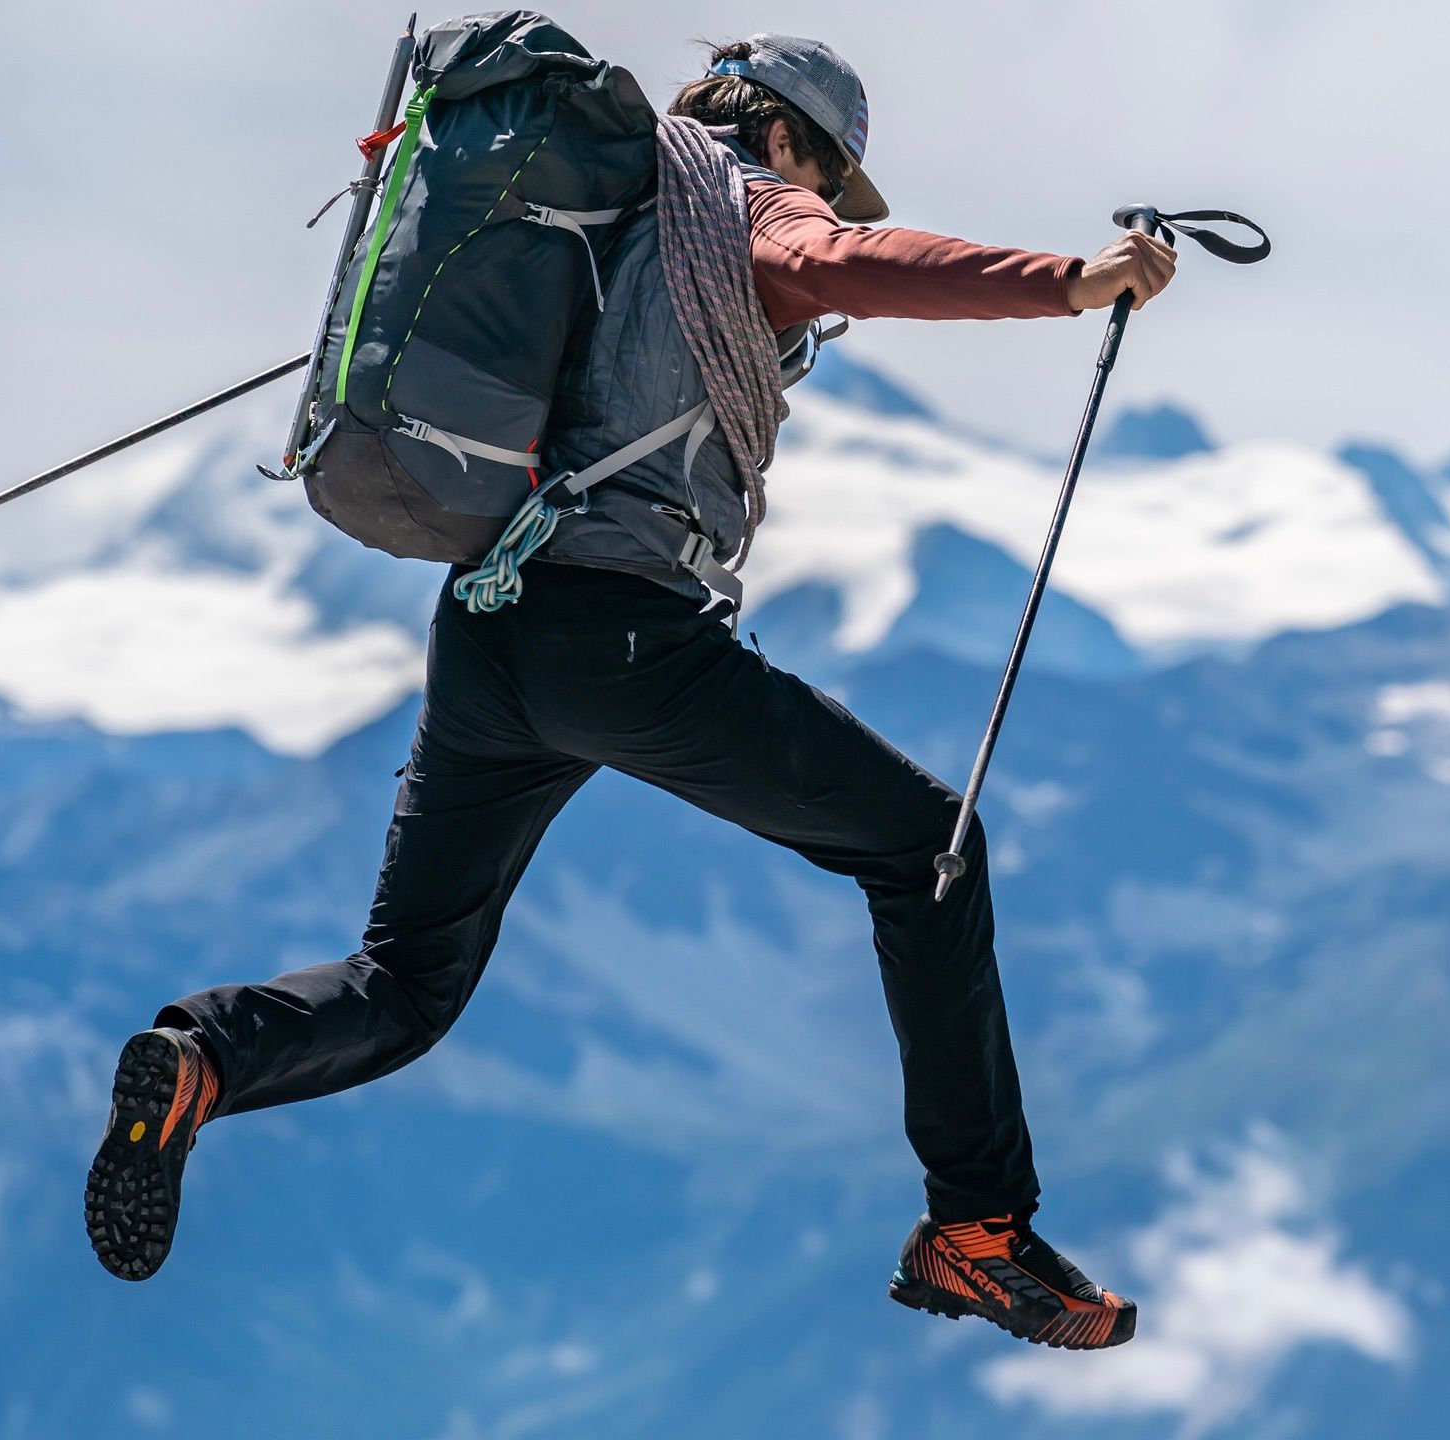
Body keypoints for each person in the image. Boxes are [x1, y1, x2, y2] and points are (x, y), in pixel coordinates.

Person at [82, 33, 1174, 1353]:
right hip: (625, 644)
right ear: (786, 137)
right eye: (829, 172)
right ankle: (978, 1232)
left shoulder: (598, 212)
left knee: (405, 984)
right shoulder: (744, 200)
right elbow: (838, 263)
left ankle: (202, 1060)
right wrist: (1071, 281)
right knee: (930, 854)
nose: (826, 201)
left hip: (491, 631)